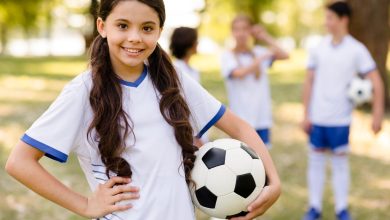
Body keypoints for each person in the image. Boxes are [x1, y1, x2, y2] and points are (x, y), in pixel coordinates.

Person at [5, 1, 281, 220]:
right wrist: (86, 204)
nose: (135, 38)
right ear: (102, 26)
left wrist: (274, 182)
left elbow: (241, 128)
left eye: (147, 28)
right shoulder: (83, 91)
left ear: (160, 31)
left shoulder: (173, 80)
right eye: (123, 25)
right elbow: (20, 162)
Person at [302, 2, 384, 220]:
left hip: (340, 119)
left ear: (343, 20)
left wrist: (377, 115)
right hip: (317, 117)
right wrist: (305, 114)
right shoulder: (318, 48)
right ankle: (314, 207)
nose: (326, 22)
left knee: (340, 163)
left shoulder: (357, 49)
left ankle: (341, 209)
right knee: (316, 162)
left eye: (330, 18)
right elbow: (309, 81)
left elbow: (376, 82)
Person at [221, 15, 289, 148]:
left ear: (250, 31)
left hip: (261, 118)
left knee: (263, 162)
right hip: (240, 121)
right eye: (236, 29)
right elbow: (239, 73)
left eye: (245, 29)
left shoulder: (258, 51)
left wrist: (264, 36)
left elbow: (285, 55)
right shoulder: (228, 56)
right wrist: (260, 59)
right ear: (232, 32)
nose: (241, 33)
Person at [169, 26, 209, 145]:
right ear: (189, 44)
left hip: (199, 131)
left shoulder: (192, 70)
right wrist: (194, 137)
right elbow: (180, 106)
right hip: (190, 137)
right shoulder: (177, 70)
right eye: (196, 40)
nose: (198, 43)